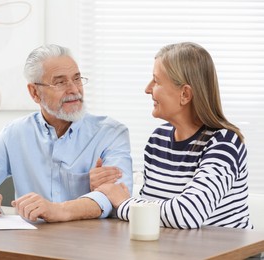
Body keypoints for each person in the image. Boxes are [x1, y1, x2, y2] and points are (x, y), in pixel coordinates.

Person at [0, 44, 133, 222]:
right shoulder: (16, 133)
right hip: (29, 245)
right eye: (60, 82)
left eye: (77, 79)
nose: (74, 90)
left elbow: (120, 198)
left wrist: (57, 210)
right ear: (34, 92)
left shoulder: (111, 133)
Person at [96, 42, 252, 229]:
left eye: (156, 81)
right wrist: (107, 191)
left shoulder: (225, 143)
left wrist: (122, 203)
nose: (147, 89)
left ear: (185, 94)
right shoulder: (158, 140)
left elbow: (187, 214)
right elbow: (151, 213)